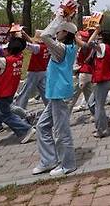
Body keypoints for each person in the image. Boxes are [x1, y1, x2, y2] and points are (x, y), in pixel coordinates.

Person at [32, 14, 78, 177]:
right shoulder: (69, 46)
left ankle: (68, 165)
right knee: (42, 126)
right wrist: (63, 20)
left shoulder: (61, 49)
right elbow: (44, 34)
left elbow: (44, 35)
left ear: (64, 33)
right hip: (55, 94)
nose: (55, 34)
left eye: (58, 32)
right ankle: (49, 160)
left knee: (61, 131)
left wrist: (59, 18)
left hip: (60, 94)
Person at [0, 38, 36, 148]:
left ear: (11, 50)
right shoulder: (19, 57)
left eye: (6, 49)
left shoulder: (6, 61)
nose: (3, 51)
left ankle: (25, 129)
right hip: (8, 91)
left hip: (4, 92)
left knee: (6, 115)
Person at [80, 27, 110, 138]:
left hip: (103, 80)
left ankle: (102, 130)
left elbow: (89, 43)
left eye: (99, 38)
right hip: (102, 79)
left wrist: (96, 31)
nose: (98, 39)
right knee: (91, 103)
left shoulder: (104, 47)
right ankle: (104, 121)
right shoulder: (107, 47)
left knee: (99, 106)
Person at [13, 31, 50, 111]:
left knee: (25, 91)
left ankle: (19, 109)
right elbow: (32, 42)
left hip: (34, 71)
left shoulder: (38, 47)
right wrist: (25, 35)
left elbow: (27, 45)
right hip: (43, 71)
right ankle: (51, 107)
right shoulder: (47, 46)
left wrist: (18, 37)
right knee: (44, 91)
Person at [69, 30, 94, 113]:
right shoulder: (88, 46)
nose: (79, 36)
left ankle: (64, 117)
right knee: (89, 97)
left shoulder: (85, 47)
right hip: (88, 73)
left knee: (72, 97)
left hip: (83, 74)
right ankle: (98, 115)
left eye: (80, 36)